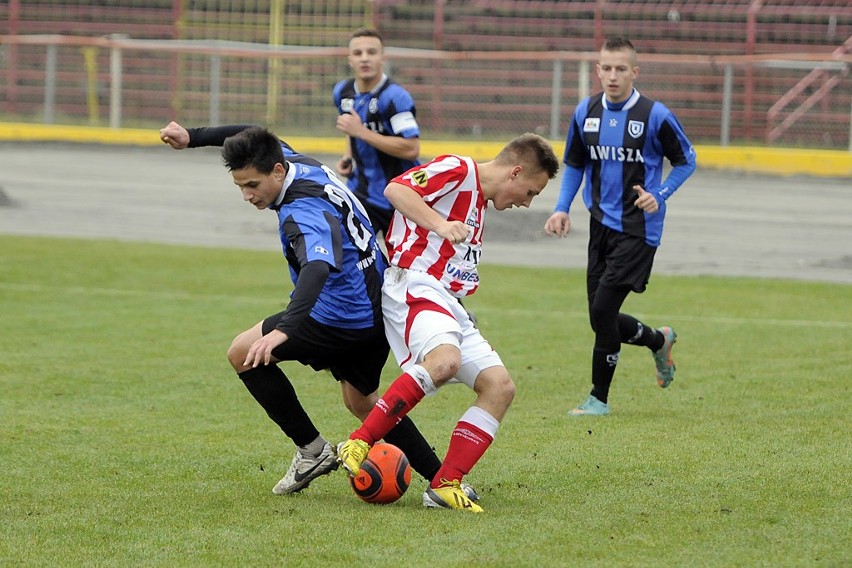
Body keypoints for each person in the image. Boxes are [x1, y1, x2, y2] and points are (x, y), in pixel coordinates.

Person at [158, 122, 477, 500]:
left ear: (276, 172)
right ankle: (442, 481)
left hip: (338, 316)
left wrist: (285, 329)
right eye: (240, 186)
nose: (246, 195)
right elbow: (252, 131)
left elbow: (316, 268)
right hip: (375, 303)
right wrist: (193, 137)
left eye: (252, 186)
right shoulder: (294, 160)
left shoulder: (300, 209)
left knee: (242, 353)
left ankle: (312, 451)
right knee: (362, 403)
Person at [337, 133, 559, 513]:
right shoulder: (458, 170)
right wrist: (439, 224)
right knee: (443, 363)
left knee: (500, 387)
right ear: (516, 172)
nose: (527, 202)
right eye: (531, 192)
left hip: (447, 302)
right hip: (414, 283)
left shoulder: (480, 203)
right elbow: (396, 190)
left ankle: (445, 485)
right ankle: (359, 442)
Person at [543, 37, 697, 416]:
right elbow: (576, 164)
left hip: (639, 229)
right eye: (606, 68)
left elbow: (687, 160)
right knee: (601, 316)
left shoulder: (654, 115)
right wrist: (562, 208)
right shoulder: (586, 111)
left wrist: (660, 194)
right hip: (601, 225)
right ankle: (658, 340)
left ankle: (599, 398)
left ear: (634, 72)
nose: (612, 76)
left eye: (621, 69)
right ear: (598, 70)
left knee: (604, 309)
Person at [332, 27, 420, 236]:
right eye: (358, 53)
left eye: (371, 52)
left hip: (401, 194)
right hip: (362, 192)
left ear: (382, 58)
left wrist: (361, 131)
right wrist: (348, 156)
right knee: (349, 256)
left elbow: (411, 148)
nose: (364, 59)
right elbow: (350, 128)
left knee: (403, 265)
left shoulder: (395, 98)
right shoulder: (342, 92)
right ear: (350, 60)